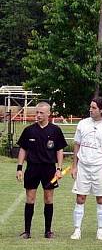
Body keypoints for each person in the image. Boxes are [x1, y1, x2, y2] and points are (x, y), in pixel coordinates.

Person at [15, 102, 67, 239]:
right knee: (30, 198)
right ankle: (27, 231)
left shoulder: (55, 130)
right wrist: (19, 168)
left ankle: (48, 231)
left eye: (41, 113)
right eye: (37, 112)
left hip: (49, 168)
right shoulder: (29, 130)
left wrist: (59, 169)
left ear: (48, 114)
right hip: (32, 168)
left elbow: (59, 150)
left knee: (48, 198)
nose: (38, 115)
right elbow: (23, 149)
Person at [70, 96, 102, 240]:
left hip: (100, 168)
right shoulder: (82, 124)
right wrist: (74, 166)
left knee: (101, 199)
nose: (90, 110)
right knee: (80, 198)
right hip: (83, 167)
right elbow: (77, 146)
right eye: (90, 107)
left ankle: (100, 230)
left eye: (94, 108)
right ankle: (77, 230)